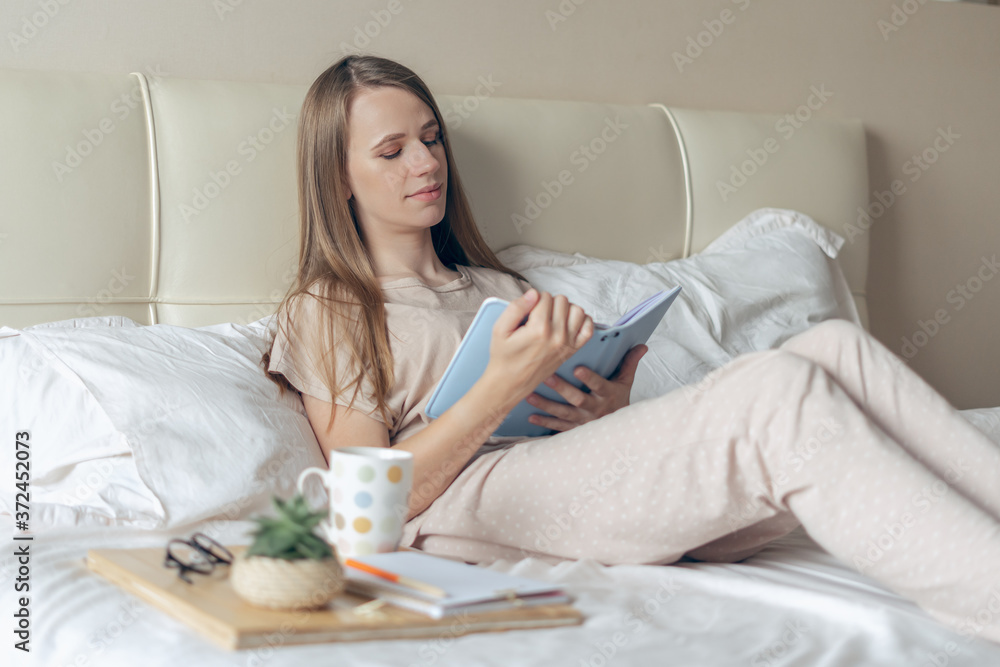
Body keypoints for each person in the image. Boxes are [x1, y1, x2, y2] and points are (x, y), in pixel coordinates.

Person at [263, 54, 1000, 645]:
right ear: (339, 177)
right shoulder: (329, 307)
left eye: (430, 138)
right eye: (391, 151)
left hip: (571, 479)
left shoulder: (496, 281)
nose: (424, 163)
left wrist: (601, 409)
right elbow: (365, 514)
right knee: (779, 388)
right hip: (466, 502)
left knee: (835, 345)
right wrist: (498, 386)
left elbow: (559, 425)